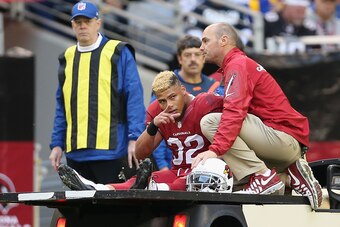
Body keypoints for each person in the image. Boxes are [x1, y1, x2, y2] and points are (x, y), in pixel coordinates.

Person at [191, 22, 323, 210]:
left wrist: (215, 150)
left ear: (224, 40)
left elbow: (234, 112)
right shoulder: (238, 64)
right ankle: (289, 175)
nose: (201, 47)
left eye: (205, 41)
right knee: (233, 184)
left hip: (282, 139)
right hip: (284, 143)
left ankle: (263, 176)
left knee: (211, 122)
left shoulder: (237, 65)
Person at [57, 70, 231, 191]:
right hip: (176, 170)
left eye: (173, 97)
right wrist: (153, 126)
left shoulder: (206, 103)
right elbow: (139, 154)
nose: (168, 105)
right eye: (162, 101)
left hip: (206, 173)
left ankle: (156, 188)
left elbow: (233, 124)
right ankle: (97, 188)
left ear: (183, 91)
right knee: (140, 180)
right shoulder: (157, 110)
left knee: (183, 180)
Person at [49, 1, 145, 185]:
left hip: (111, 151)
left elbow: (134, 97)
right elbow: (62, 105)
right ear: (72, 25)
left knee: (112, 211)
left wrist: (135, 139)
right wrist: (57, 144)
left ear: (98, 23)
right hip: (75, 153)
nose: (82, 26)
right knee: (82, 210)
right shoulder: (67, 58)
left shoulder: (118, 52)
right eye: (78, 22)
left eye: (87, 21)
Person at [151, 35, 221, 171]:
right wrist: (162, 165)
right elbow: (156, 125)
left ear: (203, 57)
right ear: (179, 58)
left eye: (197, 54)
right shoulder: (165, 85)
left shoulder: (215, 87)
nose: (193, 59)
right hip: (173, 163)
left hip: (204, 165)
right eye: (188, 55)